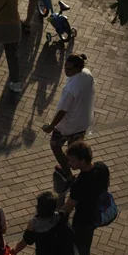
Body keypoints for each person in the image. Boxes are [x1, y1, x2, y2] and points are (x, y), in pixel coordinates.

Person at [61, 141, 110, 255]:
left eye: (72, 160)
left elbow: (68, 207)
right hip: (97, 214)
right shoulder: (102, 167)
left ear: (82, 160)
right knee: (84, 247)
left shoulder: (80, 183)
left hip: (83, 220)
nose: (69, 164)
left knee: (81, 249)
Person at [42, 53, 95, 187]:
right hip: (82, 122)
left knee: (55, 145)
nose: (65, 70)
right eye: (65, 67)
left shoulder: (70, 88)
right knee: (76, 151)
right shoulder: (87, 74)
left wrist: (51, 126)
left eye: (69, 69)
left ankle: (69, 174)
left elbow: (62, 111)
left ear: (77, 69)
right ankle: (83, 173)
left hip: (68, 125)